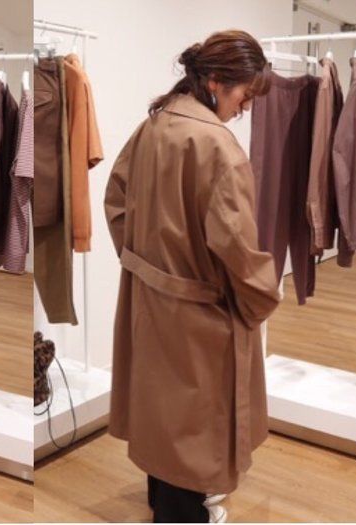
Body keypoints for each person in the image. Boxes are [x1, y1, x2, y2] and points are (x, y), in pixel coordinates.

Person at [104, 30, 281, 523]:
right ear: (216, 81)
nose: (245, 107)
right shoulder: (218, 147)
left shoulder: (154, 123)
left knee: (162, 405)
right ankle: (183, 514)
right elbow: (237, 246)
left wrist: (143, 263)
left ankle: (163, 499)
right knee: (196, 413)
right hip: (201, 306)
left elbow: (116, 201)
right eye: (244, 94)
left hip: (149, 296)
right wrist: (260, 298)